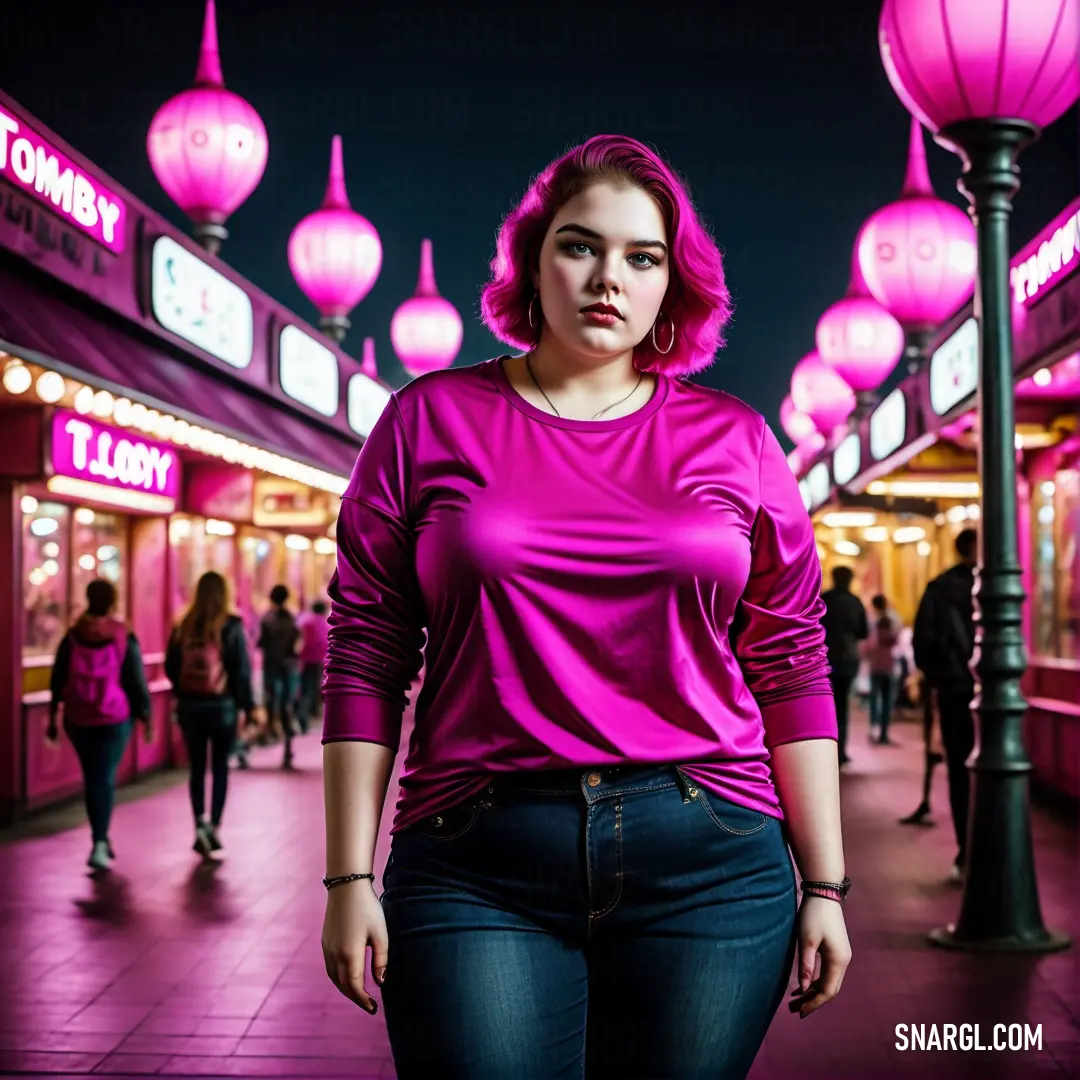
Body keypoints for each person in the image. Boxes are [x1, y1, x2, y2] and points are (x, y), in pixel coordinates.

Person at [320, 135, 851, 1080]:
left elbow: (790, 658)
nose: (609, 277)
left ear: (669, 287)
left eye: (641, 257)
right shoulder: (427, 420)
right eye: (579, 245)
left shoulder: (736, 439)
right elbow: (367, 650)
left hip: (712, 859)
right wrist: (349, 877)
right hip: (477, 860)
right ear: (532, 263)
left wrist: (827, 884)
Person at [46, 579, 151, 871]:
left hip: (78, 717)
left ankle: (100, 835)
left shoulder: (74, 633)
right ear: (113, 600)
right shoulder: (121, 633)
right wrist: (145, 713)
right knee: (103, 776)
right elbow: (135, 676)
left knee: (94, 776)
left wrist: (54, 715)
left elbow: (58, 676)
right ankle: (99, 843)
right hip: (114, 717)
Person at [166, 571, 256, 857]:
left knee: (196, 767)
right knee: (219, 766)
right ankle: (215, 827)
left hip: (190, 706)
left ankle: (199, 824)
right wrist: (248, 707)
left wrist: (182, 694)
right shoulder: (231, 626)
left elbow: (171, 666)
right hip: (222, 705)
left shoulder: (184, 624)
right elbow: (240, 670)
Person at [912, 528, 977, 881]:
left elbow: (924, 645)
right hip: (995, 694)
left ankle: (966, 853)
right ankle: (986, 856)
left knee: (960, 772)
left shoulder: (940, 588)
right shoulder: (1000, 585)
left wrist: (946, 678)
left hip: (956, 694)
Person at [821, 566, 869, 765]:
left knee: (825, 706)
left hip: (824, 658)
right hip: (847, 659)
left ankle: (826, 750)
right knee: (842, 706)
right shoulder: (854, 602)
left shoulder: (825, 600)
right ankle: (840, 751)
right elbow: (863, 632)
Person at [257, 584, 301, 769]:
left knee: (270, 700)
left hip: (271, 667)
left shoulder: (266, 619)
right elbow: (296, 642)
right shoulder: (292, 619)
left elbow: (261, 643)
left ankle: (269, 733)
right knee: (286, 705)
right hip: (289, 666)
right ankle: (288, 745)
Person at [865, 594, 899, 745]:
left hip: (876, 664)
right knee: (886, 700)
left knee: (874, 699)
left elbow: (868, 645)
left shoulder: (873, 622)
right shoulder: (892, 621)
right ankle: (884, 733)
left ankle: (873, 728)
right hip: (889, 664)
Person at [296, 600, 330, 732]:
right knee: (317, 689)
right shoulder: (326, 623)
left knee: (305, 690)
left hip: (306, 660)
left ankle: (304, 715)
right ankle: (313, 714)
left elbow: (301, 642)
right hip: (320, 661)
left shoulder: (306, 623)